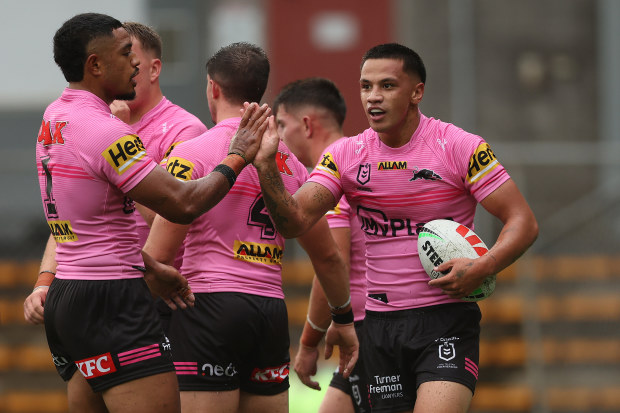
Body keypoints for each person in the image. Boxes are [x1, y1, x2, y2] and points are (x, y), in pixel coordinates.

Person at [253, 43, 539, 413]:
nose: (373, 97)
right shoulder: (345, 155)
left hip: (446, 322)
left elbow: (523, 221)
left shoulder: (458, 146)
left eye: (387, 86)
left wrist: (484, 265)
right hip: (379, 327)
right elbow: (294, 220)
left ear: (416, 91)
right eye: (366, 86)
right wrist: (265, 165)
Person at [29, 13, 270, 413]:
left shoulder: (54, 117)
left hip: (71, 292)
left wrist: (149, 268)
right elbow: (183, 203)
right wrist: (238, 154)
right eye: (126, 54)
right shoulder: (106, 131)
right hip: (112, 299)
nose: (135, 64)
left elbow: (90, 223)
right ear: (95, 65)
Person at [142, 43, 359, 413]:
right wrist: (342, 318)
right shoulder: (291, 164)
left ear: (213, 88)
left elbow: (158, 255)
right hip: (269, 312)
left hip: (206, 306)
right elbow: (328, 256)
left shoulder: (192, 152)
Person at [24, 21, 207, 326]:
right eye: (122, 57)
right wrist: (44, 282)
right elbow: (72, 217)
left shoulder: (184, 129)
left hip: (153, 295)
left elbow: (168, 216)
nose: (130, 66)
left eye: (131, 56)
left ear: (154, 69)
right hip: (106, 292)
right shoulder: (87, 123)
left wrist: (123, 160)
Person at [273, 78, 369, 413]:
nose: (280, 137)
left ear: (306, 124)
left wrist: (308, 342)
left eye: (281, 125)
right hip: (373, 321)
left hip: (364, 326)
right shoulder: (360, 159)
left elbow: (332, 261)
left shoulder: (331, 175)